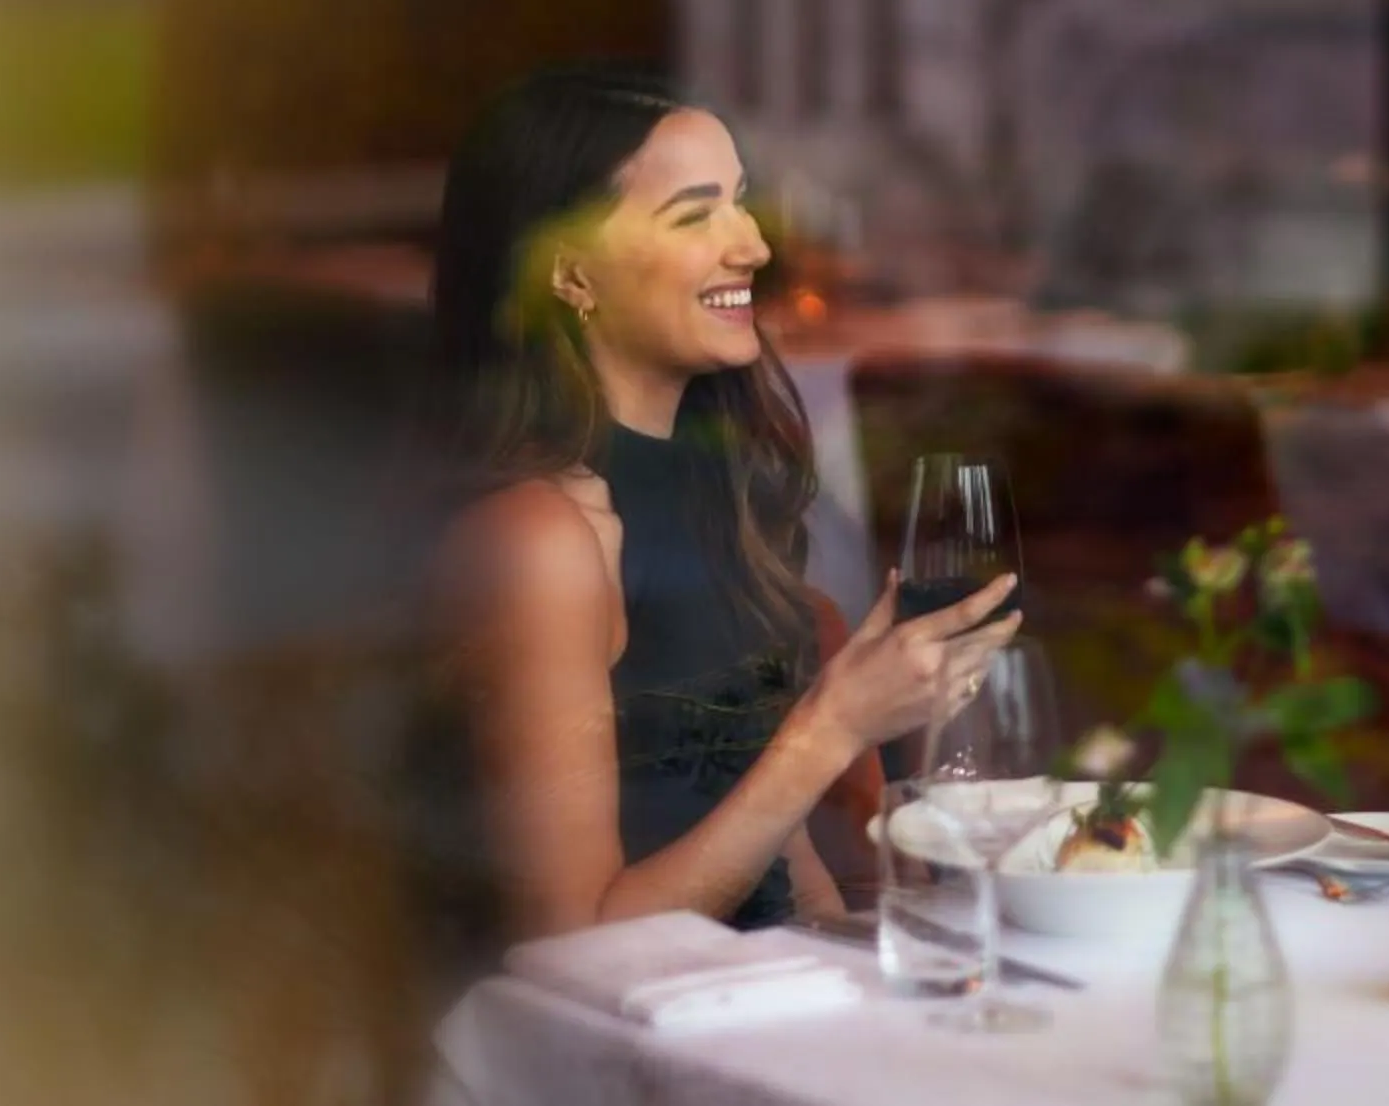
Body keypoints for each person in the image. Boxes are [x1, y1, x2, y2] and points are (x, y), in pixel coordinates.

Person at [412, 67, 1019, 953]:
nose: (753, 247)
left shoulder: (722, 494)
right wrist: (834, 725)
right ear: (572, 272)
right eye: (695, 215)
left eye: (739, 202)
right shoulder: (540, 539)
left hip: (758, 1003)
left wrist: (886, 943)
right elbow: (572, 950)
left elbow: (783, 868)